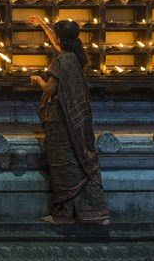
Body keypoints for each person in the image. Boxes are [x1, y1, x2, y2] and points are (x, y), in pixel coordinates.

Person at [29, 16, 110, 226]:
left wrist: (37, 79)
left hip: (61, 120)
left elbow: (50, 89)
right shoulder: (75, 56)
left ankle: (63, 215)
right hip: (75, 119)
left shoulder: (62, 60)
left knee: (63, 164)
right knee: (79, 162)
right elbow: (58, 44)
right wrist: (42, 24)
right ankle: (93, 212)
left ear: (60, 38)